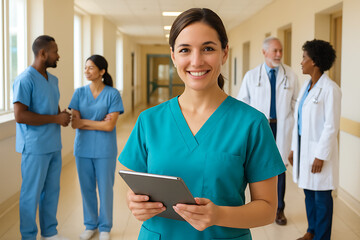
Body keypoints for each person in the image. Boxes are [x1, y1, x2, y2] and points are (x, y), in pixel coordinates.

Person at [118, 8, 286, 240]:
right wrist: (135, 203)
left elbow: (267, 209)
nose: (196, 61)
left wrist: (218, 216)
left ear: (224, 52)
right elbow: (135, 191)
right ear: (173, 55)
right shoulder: (149, 121)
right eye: (185, 50)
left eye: (208, 48)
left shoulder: (252, 123)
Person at [13, 35, 71, 240]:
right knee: (31, 194)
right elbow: (20, 115)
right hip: (35, 147)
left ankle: (50, 233)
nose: (58, 55)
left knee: (52, 191)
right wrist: (56, 118)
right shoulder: (25, 79)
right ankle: (28, 236)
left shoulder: (52, 80)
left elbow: (52, 108)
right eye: (55, 51)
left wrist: (61, 117)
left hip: (53, 144)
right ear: (43, 53)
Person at [236, 36, 299, 225]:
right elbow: (242, 104)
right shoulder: (251, 76)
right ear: (264, 52)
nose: (279, 54)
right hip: (261, 127)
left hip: (282, 126)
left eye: (280, 51)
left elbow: (297, 106)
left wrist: (296, 136)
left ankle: (279, 210)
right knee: (258, 168)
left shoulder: (291, 75)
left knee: (279, 169)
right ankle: (261, 206)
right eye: (275, 51)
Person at [288, 39, 341, 240]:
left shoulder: (330, 89)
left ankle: (322, 236)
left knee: (322, 197)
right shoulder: (306, 87)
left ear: (315, 62)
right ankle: (311, 231)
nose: (301, 62)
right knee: (309, 192)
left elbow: (331, 126)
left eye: (304, 58)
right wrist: (294, 148)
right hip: (304, 148)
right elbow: (299, 120)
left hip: (319, 152)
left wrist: (320, 156)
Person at [69, 55, 124, 240]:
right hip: (82, 149)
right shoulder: (78, 93)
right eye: (85, 68)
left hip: (105, 150)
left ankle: (105, 227)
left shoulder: (113, 94)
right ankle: (90, 225)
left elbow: (109, 126)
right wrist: (97, 122)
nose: (86, 71)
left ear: (102, 71)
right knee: (86, 188)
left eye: (91, 68)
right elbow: (74, 124)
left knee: (106, 188)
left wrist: (85, 122)